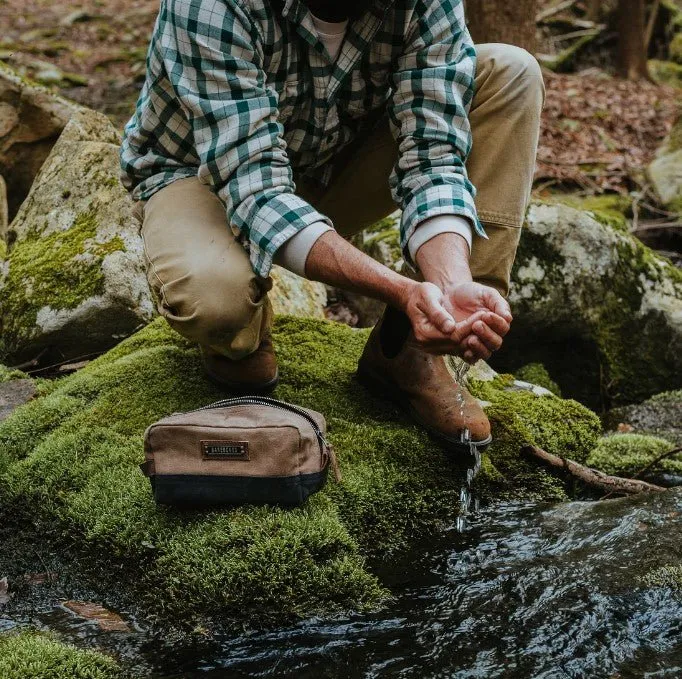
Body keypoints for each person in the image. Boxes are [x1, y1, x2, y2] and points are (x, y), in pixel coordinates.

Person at [120, 0, 544, 451]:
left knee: (511, 72)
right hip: (205, 175)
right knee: (216, 304)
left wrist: (449, 284)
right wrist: (398, 289)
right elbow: (256, 190)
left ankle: (415, 349)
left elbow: (432, 158)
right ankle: (240, 335)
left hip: (333, 160)